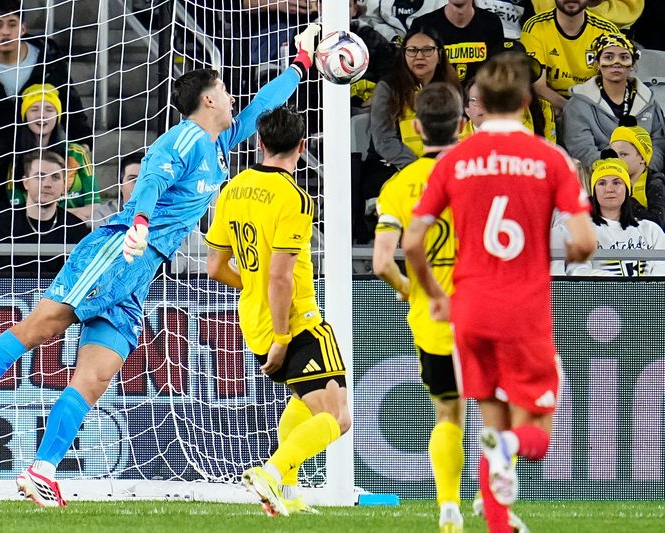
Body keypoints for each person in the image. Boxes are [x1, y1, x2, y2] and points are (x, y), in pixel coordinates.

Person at [0, 23, 323, 508]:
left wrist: (300, 64)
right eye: (223, 90)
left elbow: (263, 105)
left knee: (96, 376)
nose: (230, 97)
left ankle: (41, 470)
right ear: (206, 102)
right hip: (119, 249)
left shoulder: (220, 147)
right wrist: (139, 220)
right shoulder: (182, 140)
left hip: (142, 271)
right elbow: (152, 180)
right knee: (43, 326)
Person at [402, 53, 596, 533]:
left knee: (491, 420)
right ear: (529, 101)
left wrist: (433, 293)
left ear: (480, 103)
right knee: (533, 433)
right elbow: (585, 240)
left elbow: (411, 241)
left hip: (468, 306)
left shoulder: (455, 160)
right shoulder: (550, 158)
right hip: (524, 308)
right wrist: (575, 251)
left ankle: (499, 523)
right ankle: (508, 452)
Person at [205, 105, 350, 517]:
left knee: (303, 404)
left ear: (259, 143)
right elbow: (281, 278)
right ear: (302, 147)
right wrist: (284, 337)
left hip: (252, 319)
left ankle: (288, 493)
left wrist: (252, 287)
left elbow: (215, 266)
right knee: (337, 419)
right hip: (296, 320)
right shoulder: (295, 197)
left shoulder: (232, 189)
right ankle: (271, 472)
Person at [372, 82, 468, 532]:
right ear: (464, 125)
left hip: (433, 318)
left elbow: (380, 263)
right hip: (486, 312)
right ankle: (495, 494)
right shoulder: (481, 175)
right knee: (495, 405)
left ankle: (448, 506)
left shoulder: (400, 186)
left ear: (414, 127)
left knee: (448, 412)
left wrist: (412, 289)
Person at [358, 25, 459, 242]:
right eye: (411, 50)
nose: (418, 57)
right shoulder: (388, 87)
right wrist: (421, 168)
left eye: (426, 50)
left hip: (439, 166)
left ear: (439, 55)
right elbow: (384, 141)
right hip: (389, 165)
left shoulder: (451, 88)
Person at [0, 0, 91, 146]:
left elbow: (70, 105)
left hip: (42, 152)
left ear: (23, 28)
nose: (6, 32)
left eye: (12, 24)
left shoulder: (49, 61)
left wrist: (84, 143)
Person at [563, 33, 665, 174]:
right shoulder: (578, 104)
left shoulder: (649, 102)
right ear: (598, 64)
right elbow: (582, 149)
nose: (616, 62)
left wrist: (644, 171)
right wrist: (616, 172)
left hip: (645, 176)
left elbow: (658, 143)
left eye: (624, 57)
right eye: (608, 57)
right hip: (599, 178)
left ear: (632, 65)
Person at [554, 155, 665, 276]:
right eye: (602, 183)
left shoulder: (651, 230)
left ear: (627, 189)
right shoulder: (583, 232)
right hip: (601, 295)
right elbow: (578, 272)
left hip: (648, 295)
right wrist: (620, 288)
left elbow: (661, 270)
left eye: (617, 182)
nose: (609, 189)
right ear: (594, 191)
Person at [0, 83, 98, 214]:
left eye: (49, 109)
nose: (42, 115)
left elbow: (95, 207)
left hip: (74, 229)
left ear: (58, 116)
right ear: (25, 115)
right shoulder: (15, 158)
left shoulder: (76, 152)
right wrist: (69, 214)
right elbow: (17, 212)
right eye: (34, 109)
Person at [0, 151, 90, 275]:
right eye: (40, 177)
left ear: (63, 186)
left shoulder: (76, 228)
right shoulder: (2, 224)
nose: (47, 184)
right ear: (26, 183)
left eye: (55, 177)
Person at [520, 0, 619, 112]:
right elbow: (538, 87)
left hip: (594, 108)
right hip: (550, 105)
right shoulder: (535, 26)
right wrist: (572, 109)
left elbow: (614, 87)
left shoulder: (607, 31)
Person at [412, 0, 506, 82]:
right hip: (438, 98)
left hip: (480, 98)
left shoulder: (492, 23)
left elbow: (498, 72)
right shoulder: (423, 25)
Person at [609, 120, 665, 229]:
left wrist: (627, 201)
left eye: (623, 154)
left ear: (643, 158)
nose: (617, 160)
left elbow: (658, 223)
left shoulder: (656, 184)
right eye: (614, 155)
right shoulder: (609, 183)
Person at [73, 152, 141, 230]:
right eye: (133, 179)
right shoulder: (103, 215)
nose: (140, 185)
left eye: (146, 179)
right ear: (120, 185)